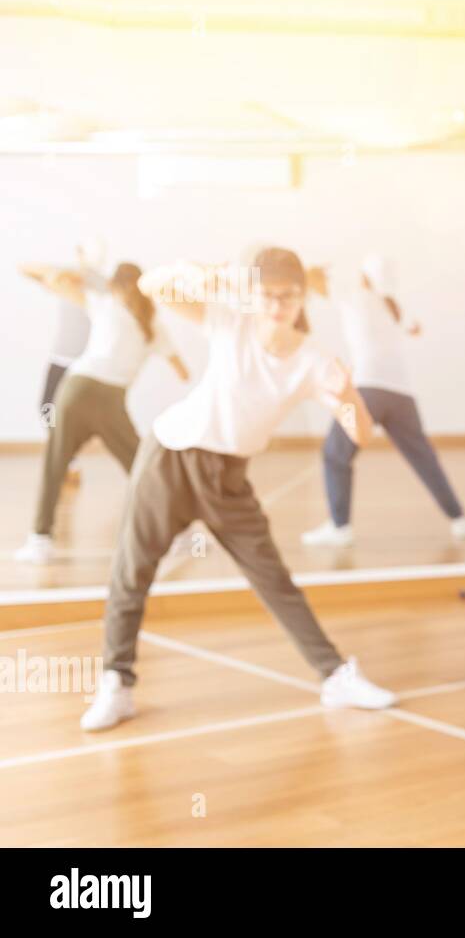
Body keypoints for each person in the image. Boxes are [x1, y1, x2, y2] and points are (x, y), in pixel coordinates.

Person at [80, 248, 396, 732]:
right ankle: (116, 684)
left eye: (287, 297)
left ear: (301, 298)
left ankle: (335, 677)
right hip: (170, 456)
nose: (276, 306)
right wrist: (207, 273)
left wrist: (348, 395)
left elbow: (362, 433)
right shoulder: (230, 322)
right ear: (254, 295)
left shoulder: (314, 360)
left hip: (228, 477)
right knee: (132, 569)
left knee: (274, 579)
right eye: (267, 296)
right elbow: (153, 288)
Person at [15, 261, 189, 565]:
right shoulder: (152, 325)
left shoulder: (104, 304)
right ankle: (180, 534)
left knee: (55, 463)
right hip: (111, 399)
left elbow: (42, 274)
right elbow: (182, 371)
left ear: (114, 286)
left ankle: (40, 541)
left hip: (76, 389)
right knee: (141, 467)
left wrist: (74, 271)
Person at [300, 256, 465, 547]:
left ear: (365, 277)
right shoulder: (392, 307)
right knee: (423, 457)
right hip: (402, 393)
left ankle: (340, 527)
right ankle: (459, 519)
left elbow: (309, 281)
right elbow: (415, 328)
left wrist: (313, 271)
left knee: (335, 454)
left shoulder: (356, 297)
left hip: (368, 388)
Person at [21, 237, 103, 491]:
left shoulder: (102, 284)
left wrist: (81, 273)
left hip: (85, 363)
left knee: (77, 415)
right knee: (46, 406)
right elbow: (25, 268)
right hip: (60, 358)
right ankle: (69, 460)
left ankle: (68, 459)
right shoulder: (64, 280)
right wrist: (64, 271)